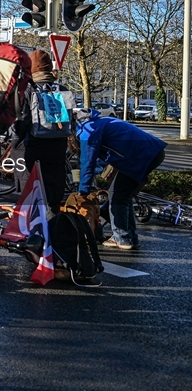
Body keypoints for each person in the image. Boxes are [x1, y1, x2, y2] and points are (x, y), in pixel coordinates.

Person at [76, 108, 167, 250]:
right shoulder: (99, 122)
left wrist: (83, 190)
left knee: (117, 196)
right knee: (123, 196)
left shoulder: (88, 131)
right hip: (152, 151)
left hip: (141, 155)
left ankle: (121, 238)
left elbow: (88, 161)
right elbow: (112, 150)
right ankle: (130, 237)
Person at [14, 49, 74, 211]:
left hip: (32, 146)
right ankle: (53, 226)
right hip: (58, 147)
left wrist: (15, 144)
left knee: (31, 194)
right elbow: (69, 120)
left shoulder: (27, 88)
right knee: (53, 192)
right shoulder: (62, 89)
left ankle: (35, 230)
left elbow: (21, 120)